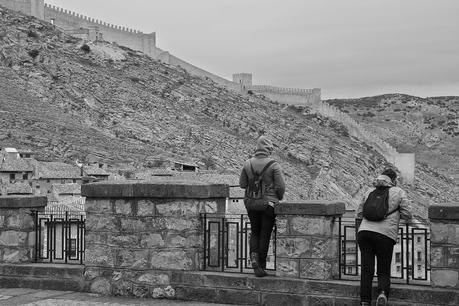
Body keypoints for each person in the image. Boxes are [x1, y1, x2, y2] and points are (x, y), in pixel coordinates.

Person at [356, 169, 418, 306]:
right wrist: (413, 223)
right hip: (385, 235)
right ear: (393, 180)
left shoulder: (369, 191)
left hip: (364, 233)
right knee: (383, 269)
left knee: (367, 269)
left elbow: (359, 213)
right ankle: (382, 293)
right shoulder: (398, 192)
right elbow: (407, 213)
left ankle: (365, 301)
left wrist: (359, 230)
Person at [239, 136, 285, 277]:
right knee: (265, 233)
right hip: (268, 205)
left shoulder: (247, 164)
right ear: (268, 148)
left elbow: (242, 184)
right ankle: (261, 265)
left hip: (252, 204)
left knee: (255, 231)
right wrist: (279, 197)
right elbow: (281, 186)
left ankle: (253, 258)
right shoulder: (274, 165)